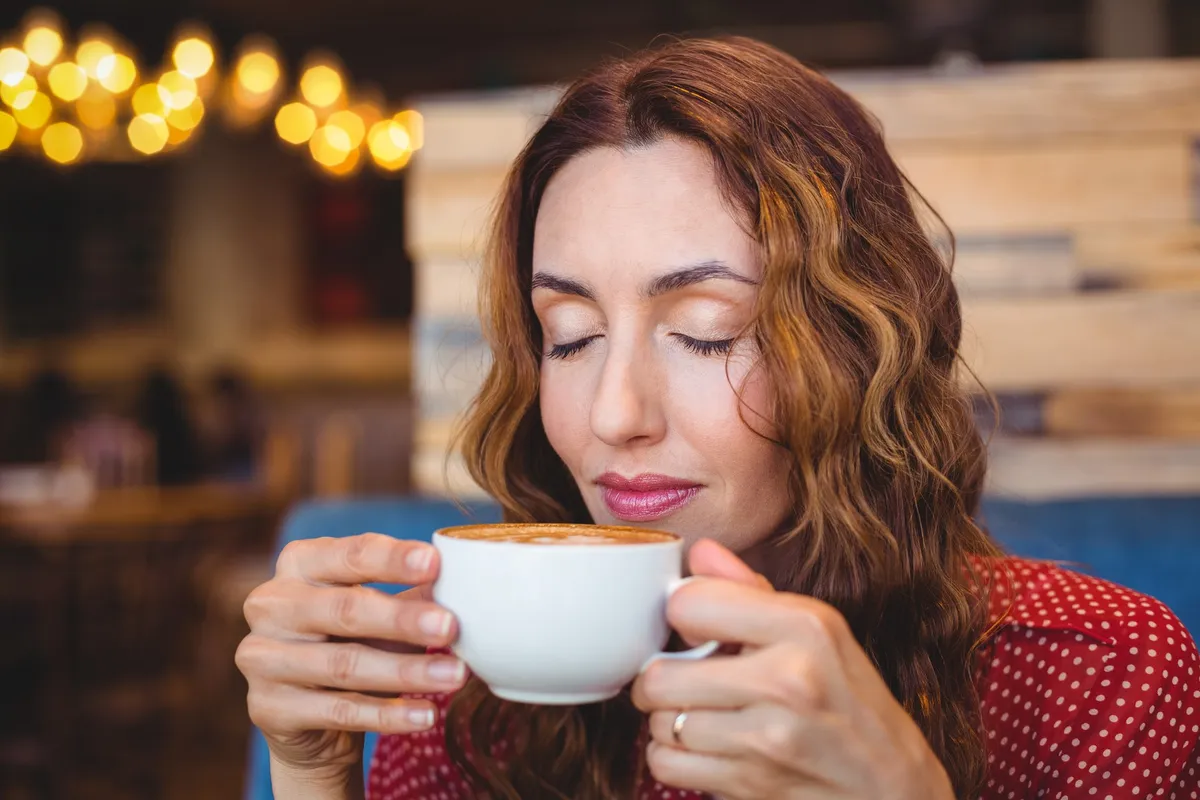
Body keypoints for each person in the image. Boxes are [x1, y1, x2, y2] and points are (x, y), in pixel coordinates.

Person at [236, 37, 1200, 799]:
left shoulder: (1100, 676)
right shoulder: (479, 697)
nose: (614, 415)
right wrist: (315, 775)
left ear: (858, 344)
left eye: (706, 332)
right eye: (568, 335)